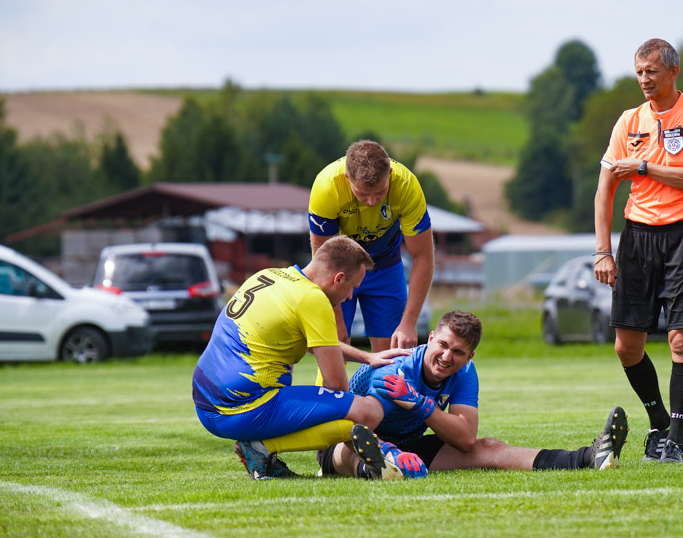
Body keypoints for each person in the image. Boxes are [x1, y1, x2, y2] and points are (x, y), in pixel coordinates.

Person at [192, 235, 411, 480]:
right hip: (241, 408)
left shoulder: (269, 276)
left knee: (351, 419)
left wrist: (367, 358)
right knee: (367, 413)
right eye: (352, 288)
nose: (350, 297)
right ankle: (261, 447)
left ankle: (370, 457)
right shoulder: (313, 299)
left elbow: (309, 344)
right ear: (338, 278)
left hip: (206, 402)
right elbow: (336, 385)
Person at [593, 38, 683, 464]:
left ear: (673, 72)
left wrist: (643, 167)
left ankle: (675, 442)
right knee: (626, 347)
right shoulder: (627, 122)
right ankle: (658, 422)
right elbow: (605, 189)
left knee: (681, 343)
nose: (644, 79)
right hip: (636, 238)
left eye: (651, 71)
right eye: (639, 72)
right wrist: (602, 251)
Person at [317, 311, 629, 477]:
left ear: (470, 357)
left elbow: (465, 438)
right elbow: (356, 428)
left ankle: (588, 458)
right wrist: (389, 452)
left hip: (408, 446)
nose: (446, 356)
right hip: (348, 440)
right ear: (430, 338)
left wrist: (421, 405)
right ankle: (378, 470)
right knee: (351, 449)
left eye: (458, 352)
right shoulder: (392, 370)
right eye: (442, 345)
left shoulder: (464, 373)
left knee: (487, 447)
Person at [308, 140, 434, 353]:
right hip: (339, 271)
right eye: (362, 194)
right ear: (347, 178)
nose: (372, 201)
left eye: (380, 192)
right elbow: (324, 262)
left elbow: (423, 256)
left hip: (385, 266)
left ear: (390, 174)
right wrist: (337, 321)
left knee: (391, 354)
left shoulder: (406, 186)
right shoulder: (327, 186)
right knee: (335, 351)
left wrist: (409, 323)